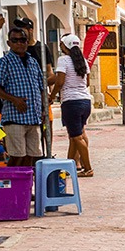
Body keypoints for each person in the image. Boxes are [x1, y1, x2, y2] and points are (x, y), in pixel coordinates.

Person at [0, 25, 47, 169]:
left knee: (33, 156)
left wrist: (43, 109)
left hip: (34, 117)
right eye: (15, 40)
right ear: (9, 43)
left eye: (23, 40)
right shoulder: (3, 63)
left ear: (28, 42)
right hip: (15, 117)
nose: (20, 43)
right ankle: (12, 186)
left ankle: (25, 189)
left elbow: (41, 87)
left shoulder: (33, 62)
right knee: (17, 155)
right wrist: (14, 99)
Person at [51, 33, 93, 177]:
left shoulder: (63, 60)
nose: (60, 46)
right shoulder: (83, 61)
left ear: (65, 45)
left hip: (71, 102)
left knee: (76, 137)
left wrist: (52, 96)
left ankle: (88, 168)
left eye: (61, 43)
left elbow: (60, 81)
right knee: (75, 136)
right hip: (85, 101)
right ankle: (69, 167)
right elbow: (87, 82)